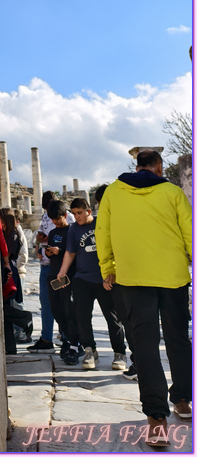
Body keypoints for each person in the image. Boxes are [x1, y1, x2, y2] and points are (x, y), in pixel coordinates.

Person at [96, 149, 192, 446]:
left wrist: (107, 267)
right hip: (173, 277)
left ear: (136, 166)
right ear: (159, 167)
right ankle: (183, 400)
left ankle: (156, 420)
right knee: (178, 338)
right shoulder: (173, 192)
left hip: (132, 278)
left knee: (145, 346)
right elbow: (189, 230)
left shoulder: (113, 192)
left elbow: (103, 232)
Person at [57, 197, 126, 370]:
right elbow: (70, 253)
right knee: (82, 317)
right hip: (82, 279)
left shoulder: (101, 224)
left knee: (113, 317)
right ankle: (89, 351)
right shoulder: (73, 229)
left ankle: (119, 353)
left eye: (79, 213)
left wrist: (112, 273)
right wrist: (63, 271)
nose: (77, 216)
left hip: (104, 279)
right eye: (74, 213)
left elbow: (114, 249)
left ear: (88, 211)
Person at [93, 183, 138, 380]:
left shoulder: (114, 219)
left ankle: (139, 363)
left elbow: (105, 247)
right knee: (130, 322)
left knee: (131, 322)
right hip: (128, 277)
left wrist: (108, 271)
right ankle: (138, 362)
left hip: (127, 277)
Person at [44, 200, 82, 364]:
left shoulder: (73, 231)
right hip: (53, 276)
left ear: (65, 215)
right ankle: (67, 339)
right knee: (57, 311)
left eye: (57, 219)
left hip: (68, 277)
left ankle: (75, 345)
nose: (55, 222)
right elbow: (51, 249)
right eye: (52, 219)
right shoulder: (52, 233)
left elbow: (74, 254)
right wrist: (49, 252)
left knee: (69, 312)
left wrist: (59, 251)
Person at [0, 208, 33, 354]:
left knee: (3, 308)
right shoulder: (7, 233)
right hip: (7, 272)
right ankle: (10, 348)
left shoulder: (13, 234)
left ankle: (24, 318)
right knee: (3, 310)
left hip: (9, 274)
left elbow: (12, 256)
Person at [27, 190, 58, 353]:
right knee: (50, 303)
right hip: (48, 265)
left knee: (57, 303)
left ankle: (61, 339)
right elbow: (41, 237)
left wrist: (45, 239)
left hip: (56, 266)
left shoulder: (63, 216)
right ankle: (51, 338)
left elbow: (47, 237)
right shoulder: (47, 216)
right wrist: (41, 242)